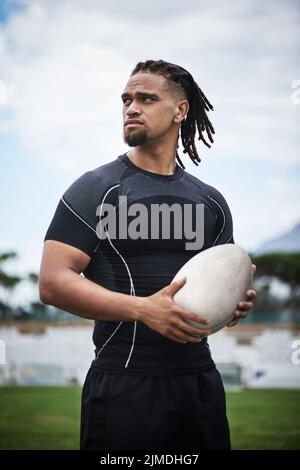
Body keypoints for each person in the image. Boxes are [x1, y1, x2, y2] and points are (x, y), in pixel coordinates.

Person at [39, 59, 256, 450]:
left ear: (180, 110)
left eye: (146, 98)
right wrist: (144, 309)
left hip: (200, 384)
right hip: (124, 383)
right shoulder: (95, 190)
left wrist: (232, 307)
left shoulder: (211, 202)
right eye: (126, 99)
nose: (131, 107)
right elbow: (53, 283)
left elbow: (214, 287)